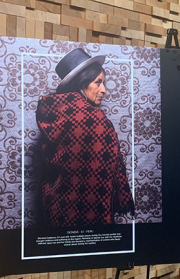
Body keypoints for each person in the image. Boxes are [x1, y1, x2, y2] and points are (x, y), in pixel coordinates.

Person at [35, 48, 134, 227]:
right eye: (98, 83)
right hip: (89, 213)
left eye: (104, 83)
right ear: (82, 83)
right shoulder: (93, 119)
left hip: (56, 209)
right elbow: (99, 175)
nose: (104, 90)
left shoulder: (54, 113)